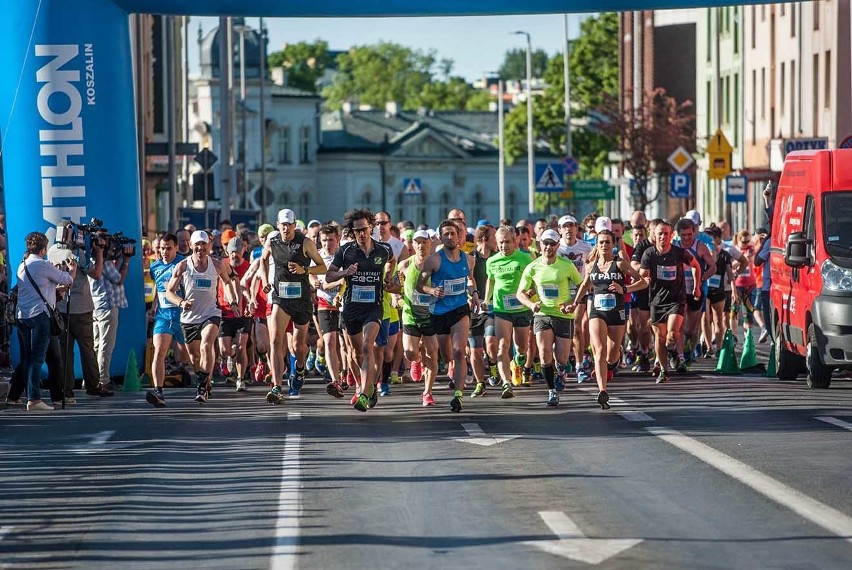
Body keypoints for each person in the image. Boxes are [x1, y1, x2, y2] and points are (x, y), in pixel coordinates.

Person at [324, 209, 395, 412]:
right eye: (357, 231)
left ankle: (363, 394)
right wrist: (345, 272)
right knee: (356, 354)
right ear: (352, 232)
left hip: (374, 307)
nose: (361, 234)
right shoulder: (346, 251)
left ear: (371, 227)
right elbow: (329, 276)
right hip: (352, 309)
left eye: (364, 229)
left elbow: (392, 260)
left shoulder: (383, 249)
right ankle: (369, 386)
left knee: (367, 347)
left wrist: (388, 277)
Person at [568, 230, 647, 409]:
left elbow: (642, 282)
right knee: (600, 350)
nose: (604, 245)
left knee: (612, 355)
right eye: (601, 242)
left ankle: (613, 363)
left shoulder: (620, 264)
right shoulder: (591, 265)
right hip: (597, 311)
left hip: (616, 312)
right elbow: (584, 285)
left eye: (607, 242)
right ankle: (602, 390)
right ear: (596, 244)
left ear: (613, 245)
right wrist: (574, 303)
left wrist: (624, 289)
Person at [259, 208, 327, 403]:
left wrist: (303, 269)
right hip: (280, 298)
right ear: (278, 225)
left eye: (289, 225)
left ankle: (299, 368)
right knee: (275, 341)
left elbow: (321, 266)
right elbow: (263, 260)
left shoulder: (305, 243)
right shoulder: (272, 242)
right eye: (283, 224)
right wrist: (265, 280)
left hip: (302, 300)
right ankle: (276, 386)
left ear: (294, 225)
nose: (286, 228)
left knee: (298, 346)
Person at [166, 230, 239, 404]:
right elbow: (169, 292)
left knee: (207, 344)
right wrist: (181, 302)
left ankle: (202, 387)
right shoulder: (183, 266)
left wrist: (233, 302)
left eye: (203, 244)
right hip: (189, 317)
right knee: (194, 357)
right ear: (191, 246)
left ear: (209, 246)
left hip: (211, 313)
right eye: (196, 245)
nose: (200, 248)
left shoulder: (217, 264)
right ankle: (203, 379)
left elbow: (228, 283)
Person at [516, 229, 583, 407]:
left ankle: (561, 369)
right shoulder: (533, 266)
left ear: (557, 246)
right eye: (545, 243)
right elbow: (520, 293)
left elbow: (581, 286)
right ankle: (551, 391)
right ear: (540, 244)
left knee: (561, 357)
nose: (548, 247)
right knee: (545, 353)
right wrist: (531, 305)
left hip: (563, 314)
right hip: (542, 314)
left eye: (552, 244)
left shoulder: (566, 265)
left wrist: (572, 302)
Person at [417, 220, 479, 413]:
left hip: (460, 309)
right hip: (439, 312)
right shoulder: (434, 260)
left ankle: (458, 396)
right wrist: (431, 290)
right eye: (446, 234)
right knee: (448, 355)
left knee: (459, 350)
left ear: (459, 235)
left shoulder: (469, 259)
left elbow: (470, 278)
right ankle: (453, 369)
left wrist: (475, 294)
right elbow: (419, 285)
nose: (450, 237)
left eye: (453, 233)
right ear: (441, 238)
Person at [15, 232, 75, 411]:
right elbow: (67, 279)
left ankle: (29, 395)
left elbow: (42, 285)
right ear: (43, 249)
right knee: (37, 358)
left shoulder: (23, 265)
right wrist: (71, 269)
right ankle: (34, 399)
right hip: (39, 316)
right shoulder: (42, 264)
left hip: (22, 316)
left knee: (28, 358)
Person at [640, 221, 702, 383]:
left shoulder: (680, 253)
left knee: (673, 333)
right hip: (656, 301)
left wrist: (697, 286)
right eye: (660, 233)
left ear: (671, 235)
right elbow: (642, 274)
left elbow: (695, 265)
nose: (663, 237)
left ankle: (672, 349)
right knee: (660, 337)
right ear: (654, 235)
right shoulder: (649, 254)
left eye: (666, 234)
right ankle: (664, 369)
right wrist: (643, 277)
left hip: (676, 299)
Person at [483, 225, 533, 396]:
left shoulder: (526, 258)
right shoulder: (492, 261)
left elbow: (534, 280)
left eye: (507, 242)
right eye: (501, 243)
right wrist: (486, 299)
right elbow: (490, 280)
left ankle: (518, 360)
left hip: (521, 308)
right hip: (501, 308)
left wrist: (531, 293)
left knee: (521, 348)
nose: (504, 246)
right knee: (502, 345)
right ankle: (506, 383)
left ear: (515, 241)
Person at [397, 230, 440, 406]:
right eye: (418, 242)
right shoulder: (405, 265)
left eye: (424, 242)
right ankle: (416, 360)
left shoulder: (437, 264)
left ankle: (427, 393)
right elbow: (397, 284)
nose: (421, 245)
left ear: (430, 244)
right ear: (413, 245)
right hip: (410, 315)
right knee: (410, 352)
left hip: (431, 315)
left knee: (433, 353)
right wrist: (396, 297)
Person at [145, 233, 184, 408]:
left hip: (183, 316)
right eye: (162, 248)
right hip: (163, 316)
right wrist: (154, 306)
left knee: (189, 356)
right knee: (159, 352)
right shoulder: (155, 267)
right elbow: (159, 291)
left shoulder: (184, 263)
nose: (164, 252)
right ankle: (158, 391)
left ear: (176, 247)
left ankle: (203, 382)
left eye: (168, 248)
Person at [556, 215, 594, 381]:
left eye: (571, 225)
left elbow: (594, 263)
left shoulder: (585, 247)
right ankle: (562, 364)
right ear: (559, 230)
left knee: (576, 325)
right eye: (565, 226)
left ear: (577, 228)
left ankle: (579, 366)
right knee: (562, 329)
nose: (568, 229)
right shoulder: (556, 248)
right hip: (560, 293)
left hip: (580, 291)